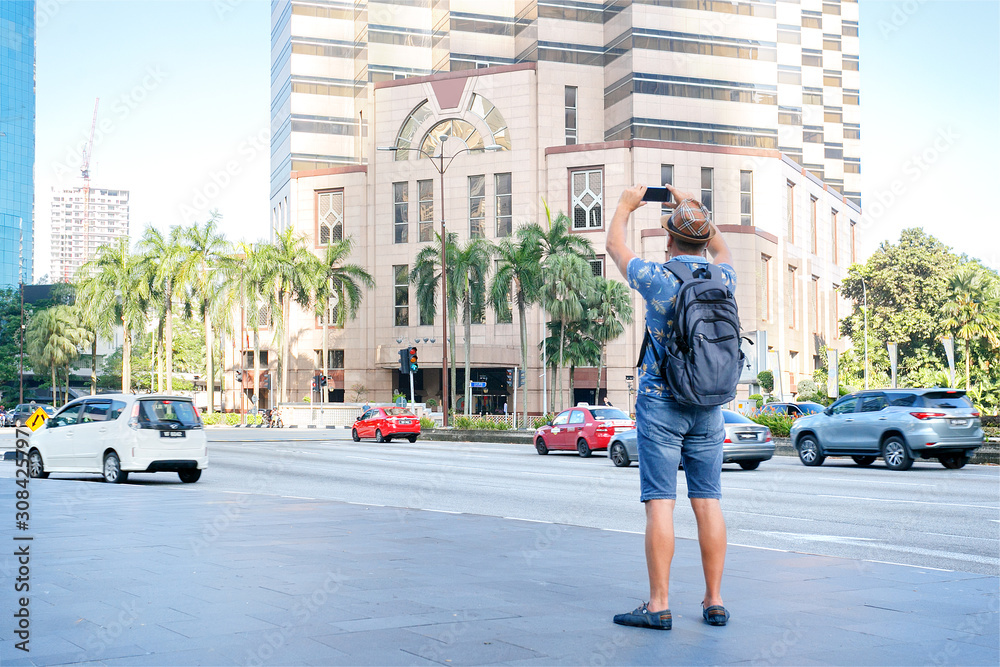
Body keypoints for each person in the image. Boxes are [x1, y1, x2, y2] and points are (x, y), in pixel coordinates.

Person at [605, 183, 736, 630]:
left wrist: (625, 206)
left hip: (662, 401)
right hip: (711, 402)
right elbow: (722, 247)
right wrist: (692, 208)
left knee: (661, 503)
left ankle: (659, 604)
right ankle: (714, 600)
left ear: (668, 240)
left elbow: (614, 246)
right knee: (708, 502)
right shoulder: (725, 277)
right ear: (702, 240)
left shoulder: (658, 278)